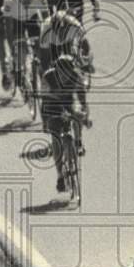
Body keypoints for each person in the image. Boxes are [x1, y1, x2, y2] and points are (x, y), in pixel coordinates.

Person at [40, 54, 90, 192]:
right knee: (55, 137)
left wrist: (84, 116)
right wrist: (45, 123)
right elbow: (44, 101)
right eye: (62, 73)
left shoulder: (76, 76)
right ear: (56, 71)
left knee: (77, 114)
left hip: (68, 102)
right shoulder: (48, 77)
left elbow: (82, 99)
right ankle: (60, 176)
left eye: (68, 73)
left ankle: (78, 142)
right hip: (52, 106)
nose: (65, 76)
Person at [2, 0, 49, 96]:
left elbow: (47, 20)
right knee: (20, 48)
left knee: (40, 47)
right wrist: (12, 44)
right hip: (16, 21)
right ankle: (17, 69)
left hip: (32, 19)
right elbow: (8, 27)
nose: (25, 1)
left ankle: (42, 75)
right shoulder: (9, 0)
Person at [37, 5, 93, 76]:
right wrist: (46, 72)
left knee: (72, 60)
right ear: (52, 28)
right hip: (52, 44)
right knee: (49, 65)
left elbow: (85, 44)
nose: (61, 35)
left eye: (63, 31)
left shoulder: (75, 26)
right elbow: (45, 56)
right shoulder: (45, 31)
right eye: (58, 32)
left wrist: (86, 59)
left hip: (68, 40)